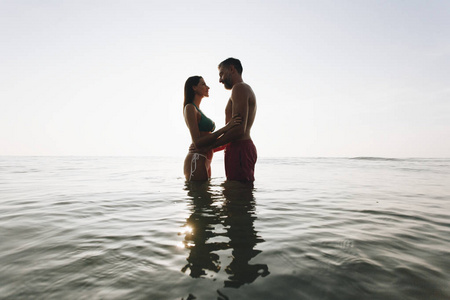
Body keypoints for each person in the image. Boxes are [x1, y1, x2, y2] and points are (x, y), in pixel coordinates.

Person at [183, 76, 241, 181]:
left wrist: (228, 139)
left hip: (205, 159)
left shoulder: (198, 110)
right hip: (197, 159)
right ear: (194, 87)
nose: (208, 87)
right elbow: (197, 142)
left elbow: (208, 143)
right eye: (203, 84)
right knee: (201, 196)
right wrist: (226, 128)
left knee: (205, 195)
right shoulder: (190, 108)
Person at [209, 58, 257, 182]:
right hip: (237, 149)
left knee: (238, 195)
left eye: (221, 74)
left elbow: (238, 130)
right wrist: (211, 148)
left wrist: (209, 146)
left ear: (232, 69)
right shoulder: (240, 89)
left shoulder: (239, 88)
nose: (220, 80)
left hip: (240, 150)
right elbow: (232, 132)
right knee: (233, 195)